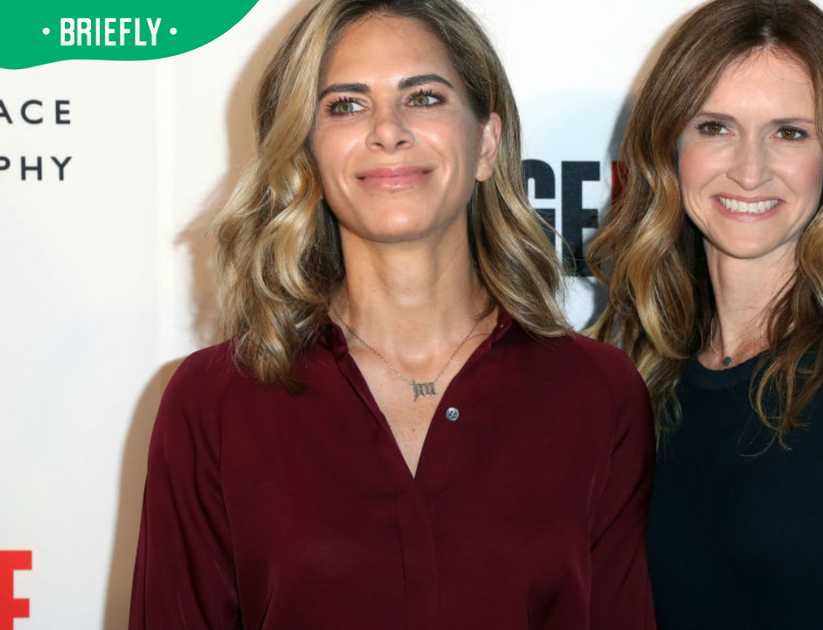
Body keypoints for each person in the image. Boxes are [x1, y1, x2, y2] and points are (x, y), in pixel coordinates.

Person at [129, 1, 656, 628]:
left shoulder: (596, 392)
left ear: (486, 142)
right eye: (346, 105)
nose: (388, 130)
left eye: (424, 97)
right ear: (308, 156)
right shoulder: (215, 401)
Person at [589, 1, 823, 628]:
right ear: (669, 147)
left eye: (790, 132)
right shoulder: (632, 371)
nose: (749, 170)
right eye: (715, 127)